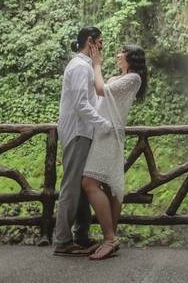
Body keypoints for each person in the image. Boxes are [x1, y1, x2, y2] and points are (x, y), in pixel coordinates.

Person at [81, 43, 148, 261]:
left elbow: (101, 90)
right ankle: (110, 238)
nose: (118, 55)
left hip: (110, 133)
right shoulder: (122, 77)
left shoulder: (134, 78)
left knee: (90, 183)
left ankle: (110, 238)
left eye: (122, 53)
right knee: (109, 186)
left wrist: (97, 64)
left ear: (131, 57)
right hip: (104, 130)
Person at [52, 26, 113, 256]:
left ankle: (81, 236)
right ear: (91, 42)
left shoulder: (85, 67)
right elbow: (81, 104)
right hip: (77, 132)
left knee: (80, 185)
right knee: (71, 186)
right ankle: (62, 241)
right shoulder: (79, 67)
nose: (103, 46)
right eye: (101, 42)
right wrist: (104, 124)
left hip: (82, 132)